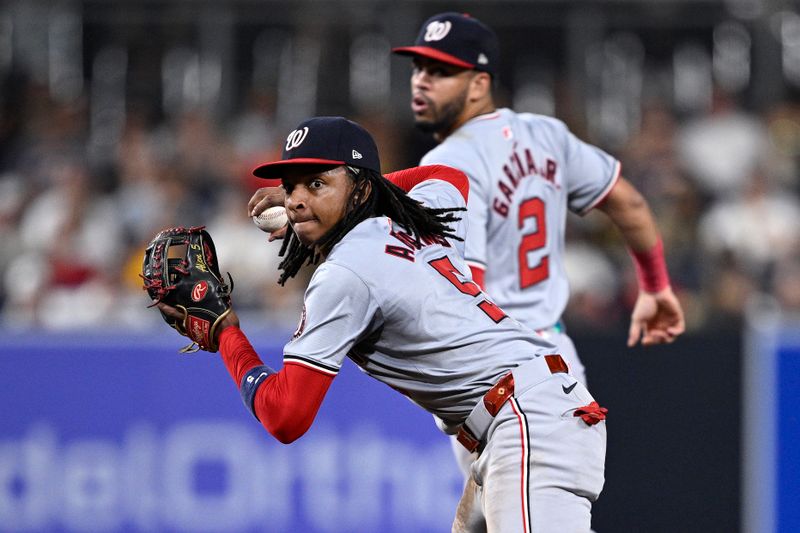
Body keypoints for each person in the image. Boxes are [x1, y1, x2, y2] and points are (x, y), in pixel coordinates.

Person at [157, 116, 608, 532]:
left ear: (361, 190)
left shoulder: (346, 272)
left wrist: (226, 333)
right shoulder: (416, 218)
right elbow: (450, 179)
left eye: (317, 183)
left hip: (525, 423)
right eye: (291, 185)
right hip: (524, 415)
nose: (295, 200)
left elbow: (285, 416)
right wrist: (358, 194)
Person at [392, 11, 685, 476]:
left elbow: (466, 293)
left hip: (500, 375)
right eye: (419, 67)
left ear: (479, 83)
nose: (421, 82)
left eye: (441, 71)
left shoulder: (450, 161)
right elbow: (629, 204)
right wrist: (655, 286)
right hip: (559, 364)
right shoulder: (546, 134)